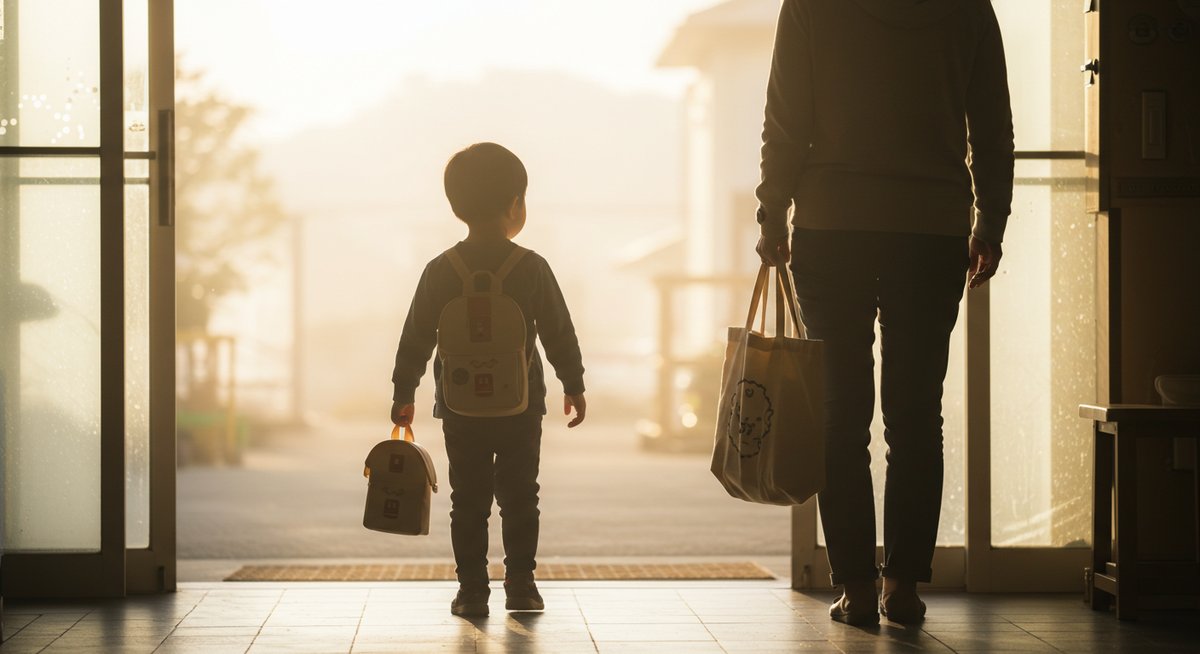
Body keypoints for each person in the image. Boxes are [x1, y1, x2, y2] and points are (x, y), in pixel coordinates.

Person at [754, 0, 1014, 625]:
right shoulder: (967, 9)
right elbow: (992, 123)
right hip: (930, 229)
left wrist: (772, 213)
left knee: (841, 415)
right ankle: (902, 585)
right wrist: (990, 220)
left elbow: (785, 119)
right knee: (917, 414)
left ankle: (855, 588)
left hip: (832, 222)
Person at [390, 142, 587, 617]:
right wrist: (573, 384)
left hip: (459, 405)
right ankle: (521, 584)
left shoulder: (441, 269)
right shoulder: (532, 267)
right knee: (522, 495)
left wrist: (404, 391)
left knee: (468, 499)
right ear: (515, 205)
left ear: (457, 205)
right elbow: (559, 330)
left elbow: (416, 335)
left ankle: (472, 590)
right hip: (522, 404)